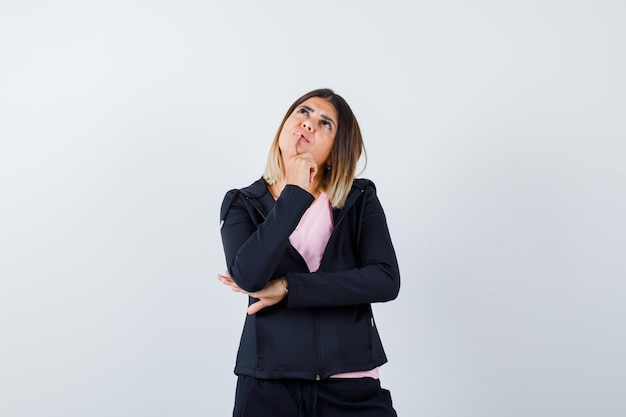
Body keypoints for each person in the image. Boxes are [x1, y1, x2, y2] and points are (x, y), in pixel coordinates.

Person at [217, 88, 400, 417]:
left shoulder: (359, 199)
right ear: (285, 124)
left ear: (335, 150)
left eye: (325, 123)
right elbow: (248, 275)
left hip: (351, 384)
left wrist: (289, 288)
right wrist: (295, 193)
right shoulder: (241, 203)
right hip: (268, 385)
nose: (310, 124)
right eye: (303, 112)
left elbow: (384, 280)